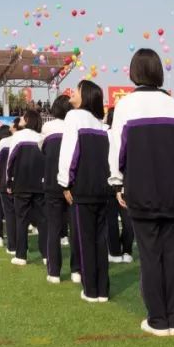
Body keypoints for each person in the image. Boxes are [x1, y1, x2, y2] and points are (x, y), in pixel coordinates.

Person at [108, 48, 174, 339]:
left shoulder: (126, 106)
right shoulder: (172, 105)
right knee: (173, 255)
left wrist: (118, 183)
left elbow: (117, 149)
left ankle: (158, 319)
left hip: (141, 189)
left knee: (151, 255)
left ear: (133, 72)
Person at [58, 80, 111, 302]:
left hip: (83, 187)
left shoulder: (74, 117)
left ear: (86, 95)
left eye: (77, 89)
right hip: (103, 188)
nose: (73, 91)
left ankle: (90, 290)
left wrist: (64, 182)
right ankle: (103, 290)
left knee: (85, 240)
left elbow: (69, 151)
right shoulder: (103, 125)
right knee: (100, 241)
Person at [7, 109, 46, 266]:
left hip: (21, 184)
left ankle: (21, 255)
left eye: (23, 117)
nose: (21, 119)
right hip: (40, 184)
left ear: (28, 120)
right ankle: (47, 254)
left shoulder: (17, 137)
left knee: (21, 220)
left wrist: (8, 181)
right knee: (43, 221)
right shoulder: (42, 137)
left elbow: (10, 161)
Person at [41, 95, 73, 282]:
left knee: (53, 228)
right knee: (74, 228)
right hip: (73, 183)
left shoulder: (48, 127)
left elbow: (43, 150)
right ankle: (77, 270)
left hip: (53, 183)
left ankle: (54, 272)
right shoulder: (76, 125)